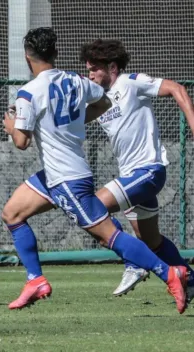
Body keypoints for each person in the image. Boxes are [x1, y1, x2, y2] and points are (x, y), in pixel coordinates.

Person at [1, 27, 188, 313]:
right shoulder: (77, 81)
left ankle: (166, 271)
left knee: (107, 235)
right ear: (56, 53)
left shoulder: (29, 92)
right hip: (56, 174)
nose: (90, 71)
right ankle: (35, 279)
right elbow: (102, 102)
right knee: (13, 213)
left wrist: (12, 126)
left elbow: (21, 142)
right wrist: (70, 122)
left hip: (66, 178)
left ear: (28, 57)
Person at [80, 39, 194, 298]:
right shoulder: (100, 100)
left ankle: (133, 264)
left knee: (91, 208)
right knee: (151, 241)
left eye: (95, 68)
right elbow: (74, 120)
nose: (91, 74)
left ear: (112, 67)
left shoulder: (130, 82)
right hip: (131, 178)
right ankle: (191, 281)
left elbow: (177, 88)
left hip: (148, 172)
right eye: (88, 69)